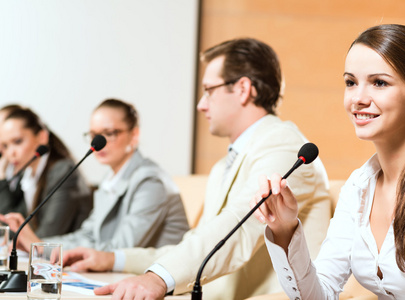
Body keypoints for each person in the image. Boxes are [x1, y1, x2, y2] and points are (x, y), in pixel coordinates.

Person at [61, 38, 331, 300]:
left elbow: (238, 227)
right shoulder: (221, 168)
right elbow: (196, 243)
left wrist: (158, 278)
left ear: (242, 89)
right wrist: (112, 258)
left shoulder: (285, 147)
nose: (201, 104)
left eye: (209, 90)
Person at [253, 24, 405, 299]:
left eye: (379, 83)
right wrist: (284, 229)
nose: (357, 99)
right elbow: (318, 295)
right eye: (350, 82)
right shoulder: (358, 187)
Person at [1, 99, 190, 251]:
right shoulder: (110, 180)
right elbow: (88, 235)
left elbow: (123, 248)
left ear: (134, 135)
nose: (98, 142)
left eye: (109, 133)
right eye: (94, 134)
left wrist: (39, 246)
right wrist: (38, 245)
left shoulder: (150, 181)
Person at [0, 106, 92, 237]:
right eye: (5, 146)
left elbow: (47, 236)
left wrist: (1, 176)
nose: (11, 153)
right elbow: (12, 227)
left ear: (42, 137)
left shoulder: (62, 171)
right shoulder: (28, 174)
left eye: (18, 141)